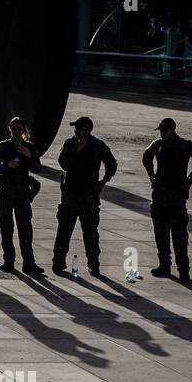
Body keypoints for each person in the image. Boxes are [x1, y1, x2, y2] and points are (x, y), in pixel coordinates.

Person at [142, 117, 192, 282]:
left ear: (172, 130)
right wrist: (151, 175)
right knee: (160, 232)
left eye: (164, 131)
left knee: (179, 234)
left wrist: (191, 177)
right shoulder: (158, 144)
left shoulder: (185, 146)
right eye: (161, 131)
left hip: (176, 196)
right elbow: (146, 156)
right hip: (159, 195)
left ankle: (183, 269)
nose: (162, 134)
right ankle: (164, 265)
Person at [52, 116, 117, 277]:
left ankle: (94, 265)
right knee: (64, 229)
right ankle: (58, 262)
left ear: (88, 130)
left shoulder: (98, 145)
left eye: (79, 128)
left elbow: (112, 164)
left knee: (90, 233)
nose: (76, 130)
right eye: (76, 128)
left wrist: (103, 182)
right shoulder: (70, 143)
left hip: (89, 195)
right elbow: (63, 163)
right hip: (70, 194)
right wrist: (76, 150)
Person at [0, 115, 44, 275]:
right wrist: (6, 166)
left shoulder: (29, 147)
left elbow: (38, 169)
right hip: (6, 189)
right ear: (10, 130)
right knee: (6, 227)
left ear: (24, 130)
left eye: (19, 129)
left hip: (22, 191)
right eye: (14, 129)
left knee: (25, 227)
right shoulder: (4, 146)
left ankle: (29, 262)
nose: (17, 132)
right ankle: (9, 260)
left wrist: (29, 155)